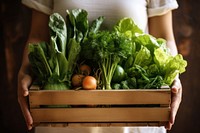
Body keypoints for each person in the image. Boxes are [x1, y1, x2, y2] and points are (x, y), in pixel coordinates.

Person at [18, 0, 182, 132]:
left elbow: (164, 38)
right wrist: (25, 71)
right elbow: (38, 36)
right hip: (63, 113)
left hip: (134, 112)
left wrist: (173, 75)